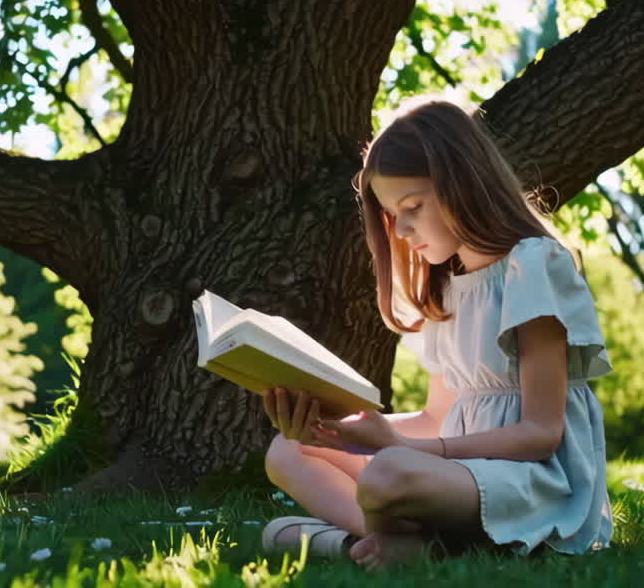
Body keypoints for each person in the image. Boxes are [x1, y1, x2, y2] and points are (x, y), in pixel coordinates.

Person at [260, 97, 613, 570]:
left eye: (413, 207)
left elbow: (541, 435)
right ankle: (398, 546)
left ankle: (381, 543)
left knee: (387, 474)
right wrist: (342, 434)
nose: (402, 229)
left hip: (535, 482)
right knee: (288, 450)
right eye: (392, 214)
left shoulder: (532, 267)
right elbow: (436, 417)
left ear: (462, 183)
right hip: (454, 474)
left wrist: (403, 448)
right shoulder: (447, 288)